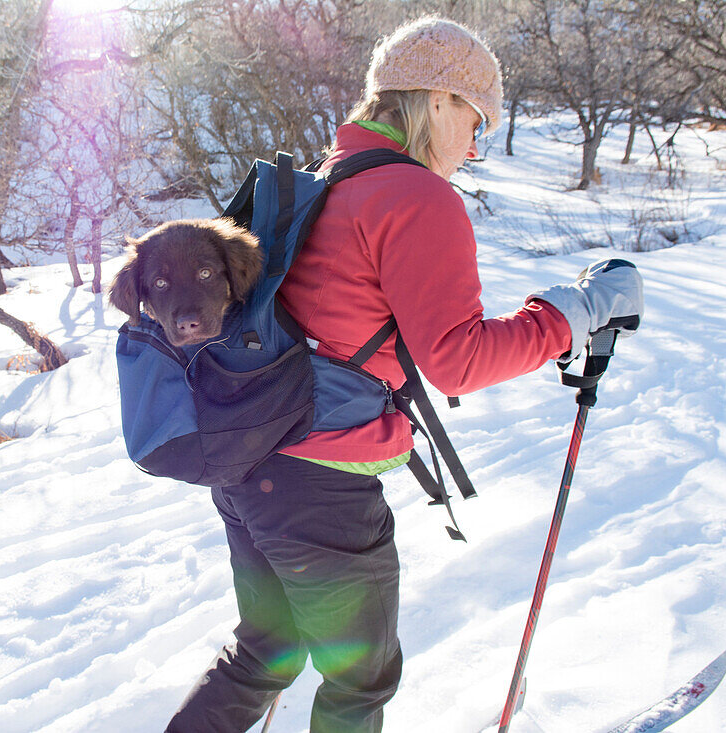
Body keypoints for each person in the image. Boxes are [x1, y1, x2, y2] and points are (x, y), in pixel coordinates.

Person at [166, 16, 643, 733]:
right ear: (439, 99)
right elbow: (459, 356)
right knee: (361, 678)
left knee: (266, 649)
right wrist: (573, 314)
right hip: (319, 483)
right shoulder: (416, 197)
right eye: (476, 119)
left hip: (248, 466)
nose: (476, 145)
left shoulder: (328, 179)